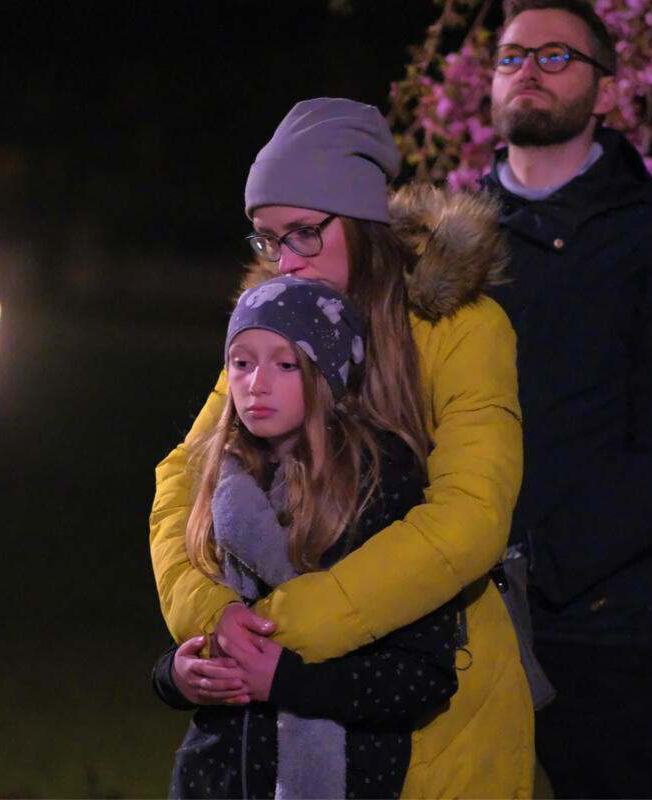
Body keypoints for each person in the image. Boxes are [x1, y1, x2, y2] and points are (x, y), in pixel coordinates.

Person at [150, 97, 534, 798]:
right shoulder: (278, 324)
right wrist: (213, 619)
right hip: (268, 712)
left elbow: (470, 516)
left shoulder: (462, 327)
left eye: (304, 234)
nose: (286, 262)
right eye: (269, 240)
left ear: (359, 222)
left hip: (436, 706)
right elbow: (187, 473)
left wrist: (280, 627)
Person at [480, 1, 652, 797]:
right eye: (512, 57)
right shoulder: (448, 239)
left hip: (594, 619)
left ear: (607, 92)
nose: (529, 72)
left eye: (556, 57)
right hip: (449, 606)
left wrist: (547, 565)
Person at [152, 274, 462, 799]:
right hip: (214, 781)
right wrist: (176, 676)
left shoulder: (377, 489)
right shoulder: (220, 481)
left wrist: (290, 683)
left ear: (328, 373)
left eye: (285, 365)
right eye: (241, 363)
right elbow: (199, 639)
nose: (257, 383)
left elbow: (423, 676)